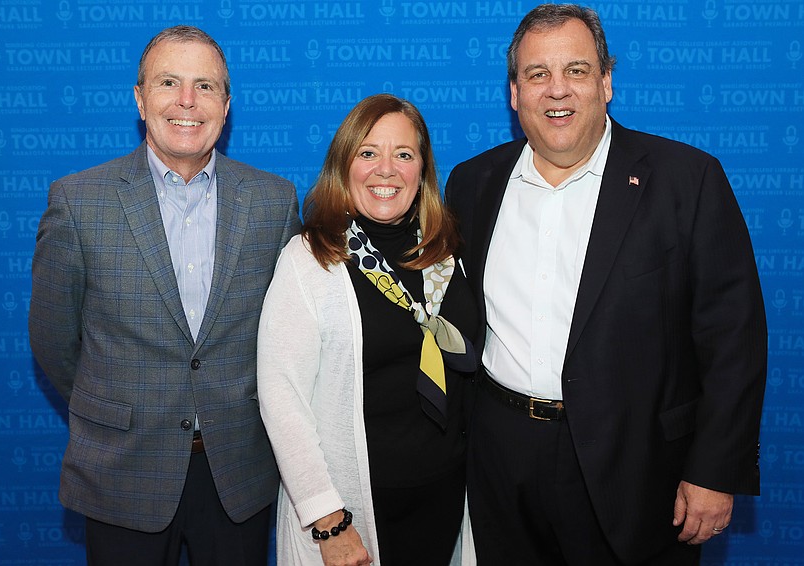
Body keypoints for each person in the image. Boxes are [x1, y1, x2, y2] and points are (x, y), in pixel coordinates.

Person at [444, 4, 767, 565]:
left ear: (607, 82)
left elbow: (733, 340)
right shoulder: (473, 182)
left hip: (635, 467)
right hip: (500, 458)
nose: (557, 90)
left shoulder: (687, 181)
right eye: (537, 74)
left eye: (576, 70)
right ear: (514, 92)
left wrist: (715, 470)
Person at [28, 25, 300, 565]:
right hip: (122, 471)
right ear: (139, 98)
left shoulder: (275, 201)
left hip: (238, 474)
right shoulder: (78, 202)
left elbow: (289, 335)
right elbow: (55, 343)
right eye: (169, 82)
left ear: (226, 104)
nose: (186, 102)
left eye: (205, 86)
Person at [257, 93, 479, 566]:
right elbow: (282, 401)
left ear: (422, 170)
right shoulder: (311, 259)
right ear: (344, 165)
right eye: (368, 153)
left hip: (444, 499)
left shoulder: (448, 253)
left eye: (403, 154)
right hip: (355, 511)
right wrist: (328, 520)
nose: (386, 169)